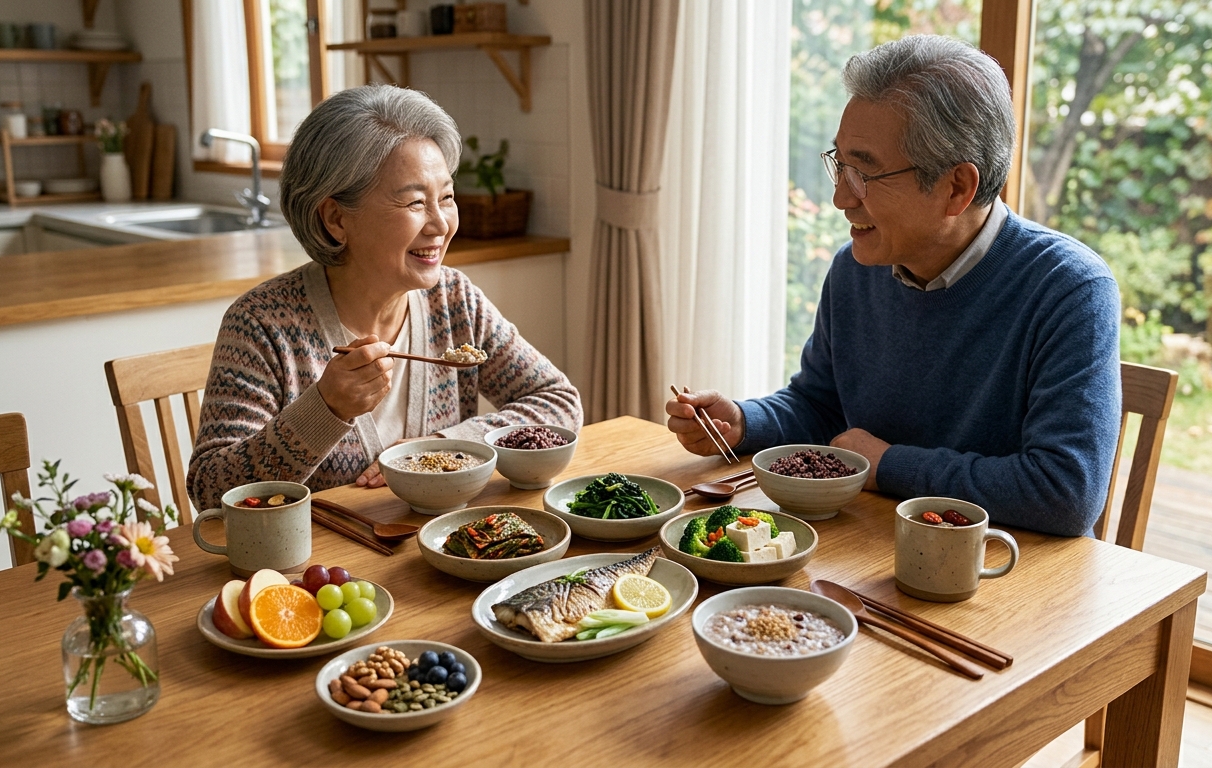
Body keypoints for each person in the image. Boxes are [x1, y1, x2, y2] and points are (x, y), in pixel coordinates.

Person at [666, 35, 1121, 537]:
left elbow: (1065, 493)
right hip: (875, 546)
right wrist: (745, 422)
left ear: (957, 188)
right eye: (840, 163)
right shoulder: (855, 269)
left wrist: (888, 466)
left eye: (864, 172)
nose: (840, 197)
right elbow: (822, 406)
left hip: (1009, 577)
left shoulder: (1070, 289)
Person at [188, 85, 582, 510]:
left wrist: (447, 444)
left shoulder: (453, 301)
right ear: (336, 218)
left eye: (446, 197)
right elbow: (211, 492)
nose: (440, 225)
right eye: (415, 202)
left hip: (444, 548)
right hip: (321, 570)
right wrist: (325, 409)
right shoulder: (263, 324)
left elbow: (557, 402)